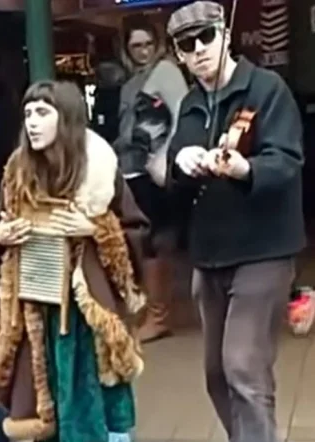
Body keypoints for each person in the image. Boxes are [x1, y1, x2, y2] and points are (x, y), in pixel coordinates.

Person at [0, 80, 149, 442]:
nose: (32, 121)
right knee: (42, 414)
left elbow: (134, 230)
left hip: (84, 316)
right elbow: (2, 227)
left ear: (65, 118)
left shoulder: (98, 170)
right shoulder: (17, 170)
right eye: (28, 113)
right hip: (35, 310)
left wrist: (94, 229)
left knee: (84, 410)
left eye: (43, 112)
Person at [165, 2, 304, 442]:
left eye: (206, 37)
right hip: (209, 256)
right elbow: (175, 168)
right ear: (178, 55)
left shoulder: (268, 90)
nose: (199, 49)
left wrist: (246, 168)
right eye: (187, 44)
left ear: (225, 35)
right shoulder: (189, 104)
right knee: (216, 374)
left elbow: (287, 161)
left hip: (264, 250)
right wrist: (181, 163)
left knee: (243, 366)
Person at [113, 16, 189, 343]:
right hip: (133, 169)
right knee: (145, 241)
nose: (143, 51)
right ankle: (155, 312)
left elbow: (183, 115)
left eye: (147, 44)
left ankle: (159, 316)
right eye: (136, 46)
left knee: (157, 241)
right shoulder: (133, 80)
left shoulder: (166, 72)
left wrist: (165, 157)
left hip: (155, 171)